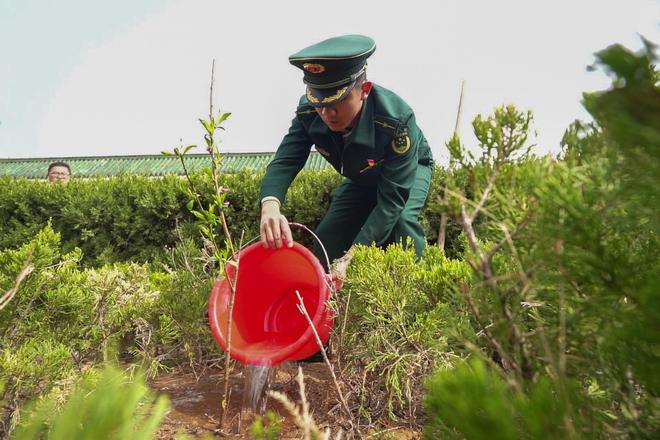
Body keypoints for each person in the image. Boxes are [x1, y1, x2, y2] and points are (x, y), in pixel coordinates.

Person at [259, 34, 433, 283]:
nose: (326, 113)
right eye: (319, 102)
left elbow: (391, 202)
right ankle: (329, 306)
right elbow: (287, 159)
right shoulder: (310, 112)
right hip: (362, 175)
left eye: (336, 102)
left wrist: (354, 254)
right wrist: (270, 206)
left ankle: (413, 300)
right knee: (328, 238)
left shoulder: (396, 120)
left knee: (402, 224)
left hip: (409, 170)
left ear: (364, 90)